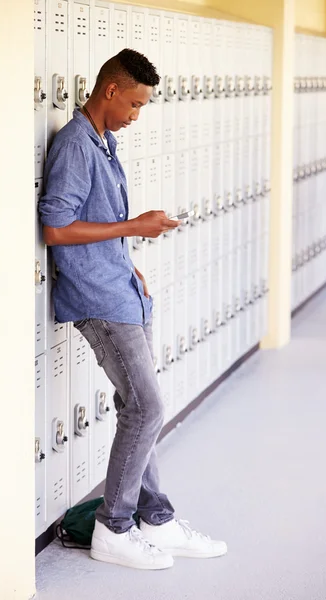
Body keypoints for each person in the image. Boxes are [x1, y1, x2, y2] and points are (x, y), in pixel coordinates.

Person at [39, 48, 227, 571]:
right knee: (147, 407)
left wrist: (126, 256)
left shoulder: (105, 141)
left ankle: (156, 520)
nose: (136, 115)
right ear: (111, 91)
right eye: (136, 104)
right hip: (100, 301)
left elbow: (94, 220)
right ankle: (114, 529)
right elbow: (55, 228)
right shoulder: (77, 145)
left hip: (122, 288)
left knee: (138, 410)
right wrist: (132, 229)